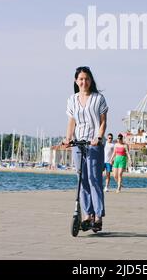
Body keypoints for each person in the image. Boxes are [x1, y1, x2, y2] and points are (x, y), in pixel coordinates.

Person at [64, 66, 108, 232]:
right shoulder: (72, 99)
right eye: (81, 79)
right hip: (78, 144)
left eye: (87, 79)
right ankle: (87, 215)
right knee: (82, 180)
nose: (84, 82)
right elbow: (71, 122)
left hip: (93, 144)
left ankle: (98, 216)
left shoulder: (99, 98)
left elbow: (103, 121)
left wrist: (98, 137)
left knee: (94, 179)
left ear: (91, 81)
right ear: (76, 81)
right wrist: (68, 139)